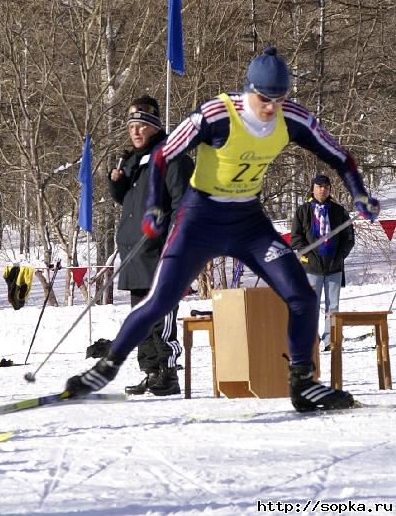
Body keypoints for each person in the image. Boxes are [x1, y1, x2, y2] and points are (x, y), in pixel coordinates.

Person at [64, 47, 379, 412]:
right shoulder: (217, 113)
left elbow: (340, 155)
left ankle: (303, 384)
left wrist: (359, 193)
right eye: (264, 98)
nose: (271, 107)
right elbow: (164, 154)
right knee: (159, 301)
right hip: (200, 220)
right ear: (249, 90)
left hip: (249, 223)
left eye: (279, 99)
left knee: (302, 296)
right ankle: (105, 369)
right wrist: (154, 206)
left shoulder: (292, 118)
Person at [109, 96, 193, 396]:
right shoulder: (132, 160)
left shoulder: (170, 156)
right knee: (140, 317)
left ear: (155, 127)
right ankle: (151, 370)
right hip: (134, 251)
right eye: (132, 126)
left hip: (159, 251)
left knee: (160, 314)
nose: (136, 131)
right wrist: (117, 184)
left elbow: (184, 203)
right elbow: (130, 202)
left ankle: (168, 371)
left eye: (142, 125)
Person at [290, 174, 354, 351]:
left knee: (333, 306)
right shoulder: (303, 211)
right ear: (312, 188)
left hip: (334, 267)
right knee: (311, 305)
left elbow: (349, 238)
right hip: (311, 267)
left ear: (329, 189)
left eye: (326, 187)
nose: (322, 190)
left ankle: (331, 340)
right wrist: (308, 256)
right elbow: (296, 239)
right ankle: (311, 341)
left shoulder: (339, 211)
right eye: (319, 186)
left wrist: (340, 256)